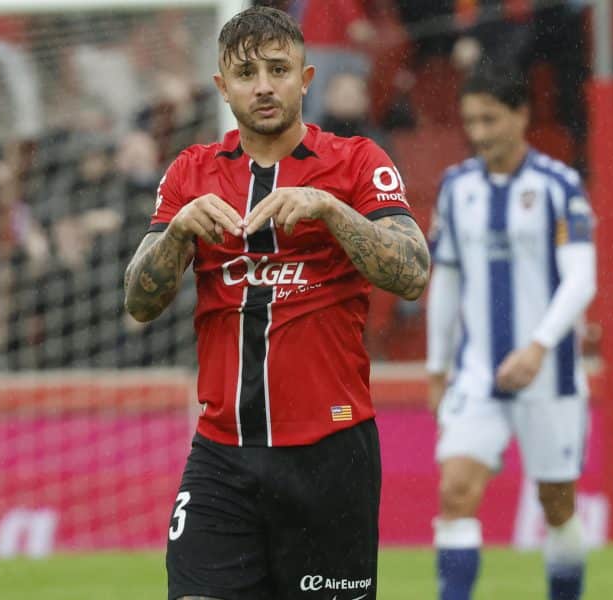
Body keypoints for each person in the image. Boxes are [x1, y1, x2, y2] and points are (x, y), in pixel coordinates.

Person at [123, 6, 430, 600]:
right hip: (222, 456)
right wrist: (178, 231)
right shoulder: (191, 172)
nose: (263, 85)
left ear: (305, 78)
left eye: (277, 69)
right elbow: (138, 300)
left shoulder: (358, 162)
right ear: (222, 87)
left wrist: (332, 211)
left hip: (329, 454)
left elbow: (413, 273)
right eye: (245, 73)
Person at [425, 63, 596, 600]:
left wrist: (539, 346)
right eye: (471, 121)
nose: (479, 133)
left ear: (522, 115)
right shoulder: (456, 188)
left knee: (557, 504)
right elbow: (446, 281)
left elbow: (582, 279)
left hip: (549, 376)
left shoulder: (559, 186)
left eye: (490, 119)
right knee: (455, 491)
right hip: (478, 373)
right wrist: (436, 367)